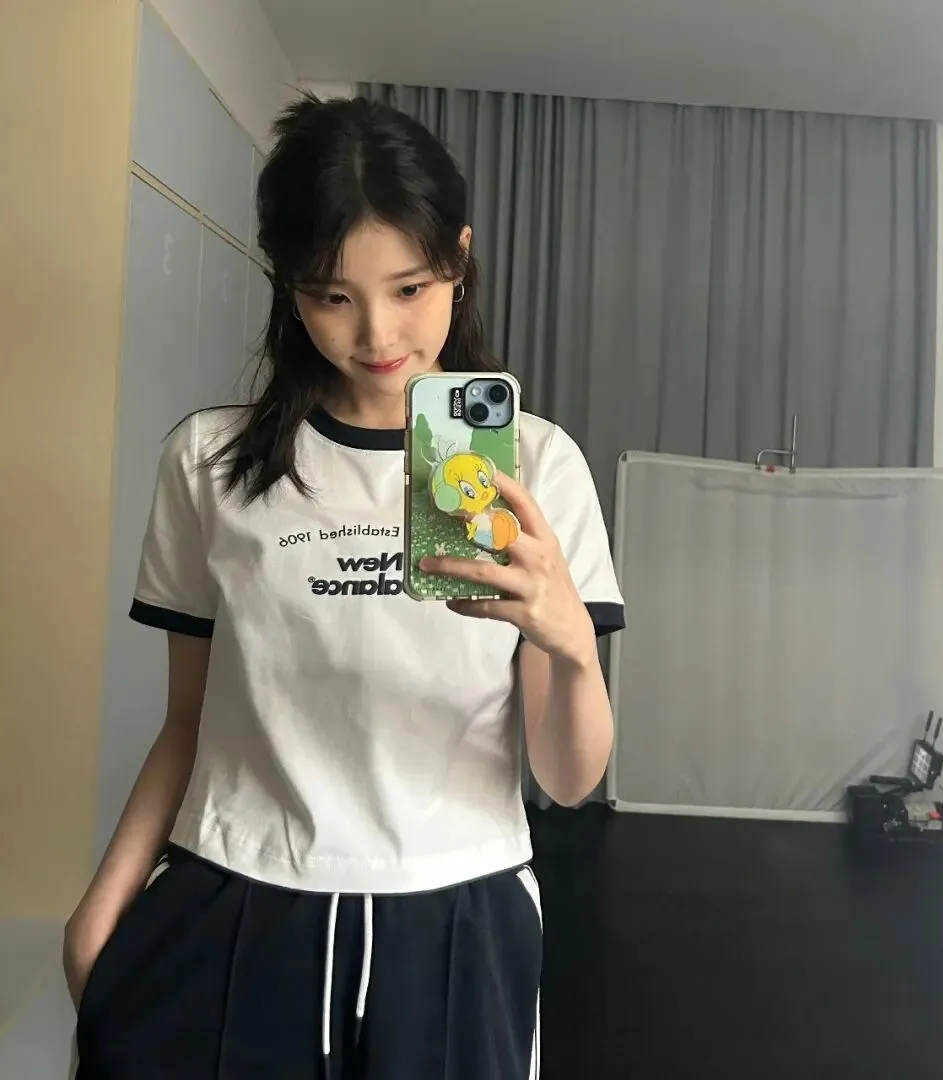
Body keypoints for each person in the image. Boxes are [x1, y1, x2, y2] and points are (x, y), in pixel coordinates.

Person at [64, 93, 625, 1080]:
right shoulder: (209, 463)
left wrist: (570, 643)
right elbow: (188, 721)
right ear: (287, 286)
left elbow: (568, 780)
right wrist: (99, 913)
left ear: (459, 258)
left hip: (456, 909)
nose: (378, 332)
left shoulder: (539, 467)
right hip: (233, 894)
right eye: (333, 295)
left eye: (410, 287)